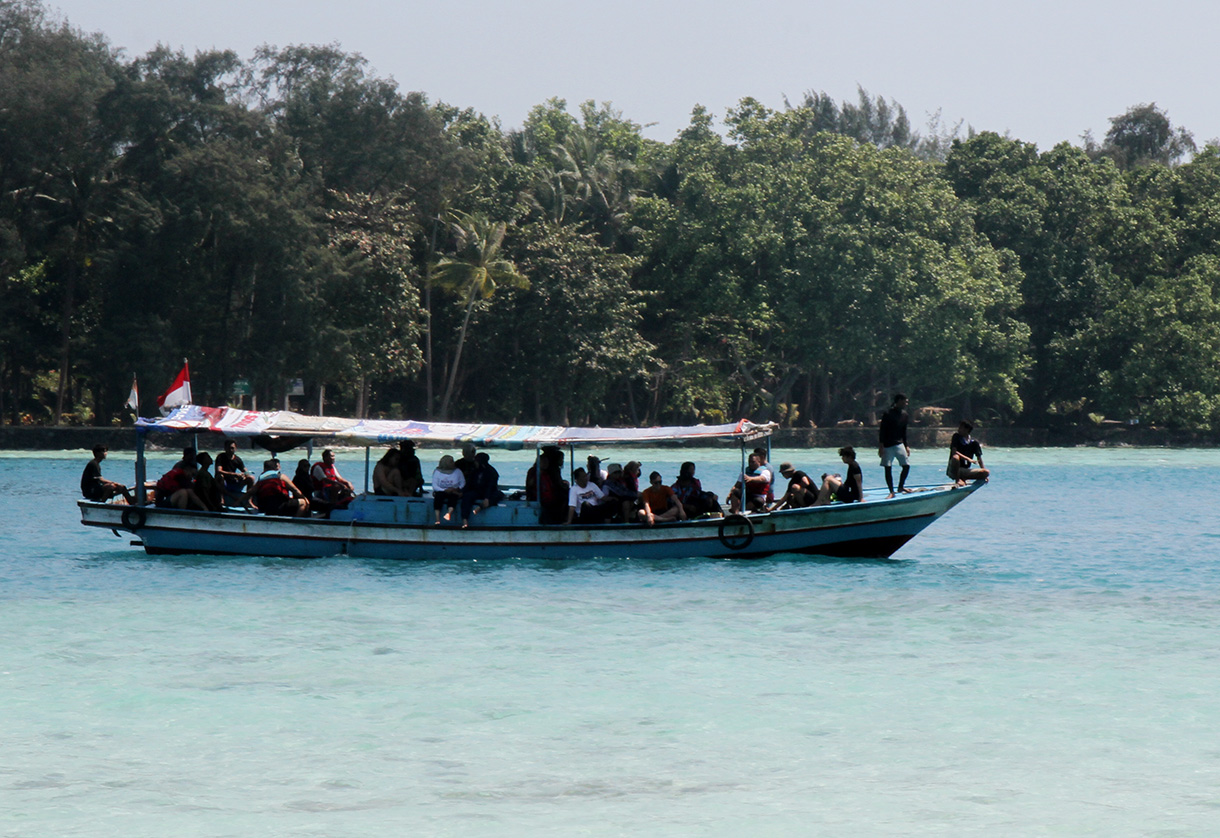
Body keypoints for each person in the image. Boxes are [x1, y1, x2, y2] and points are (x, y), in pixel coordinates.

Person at [879, 393, 912, 498]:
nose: (906, 403)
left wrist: (906, 445)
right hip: (888, 445)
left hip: (899, 443)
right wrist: (881, 446)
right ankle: (891, 491)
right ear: (898, 401)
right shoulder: (888, 413)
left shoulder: (905, 415)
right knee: (888, 468)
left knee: (906, 466)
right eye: (904, 401)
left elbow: (904, 431)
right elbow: (882, 430)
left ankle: (901, 487)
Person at [462, 452, 504, 527]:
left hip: (488, 492)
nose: (475, 463)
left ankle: (480, 507)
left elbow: (491, 486)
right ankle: (465, 520)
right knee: (467, 497)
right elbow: (469, 483)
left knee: (499, 495)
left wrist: (487, 498)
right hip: (476, 491)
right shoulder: (475, 470)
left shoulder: (492, 472)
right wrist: (462, 492)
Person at [948, 421, 990, 485]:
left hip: (964, 470)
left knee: (986, 472)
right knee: (955, 457)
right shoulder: (956, 437)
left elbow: (979, 458)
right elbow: (954, 452)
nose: (958, 430)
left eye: (960, 428)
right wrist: (968, 459)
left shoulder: (974, 443)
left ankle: (963, 479)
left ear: (966, 430)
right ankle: (958, 479)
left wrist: (985, 475)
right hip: (953, 470)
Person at [215, 438, 255, 506]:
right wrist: (233, 474)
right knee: (220, 476)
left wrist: (243, 475)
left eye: (232, 448)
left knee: (251, 478)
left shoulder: (238, 459)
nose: (230, 450)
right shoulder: (221, 457)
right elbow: (219, 471)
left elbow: (245, 471)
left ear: (235, 448)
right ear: (225, 448)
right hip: (224, 484)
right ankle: (221, 499)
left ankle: (249, 501)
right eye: (228, 448)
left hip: (234, 483)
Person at [431, 454, 465, 524]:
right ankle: (437, 518)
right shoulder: (437, 471)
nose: (453, 463)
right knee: (438, 498)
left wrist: (457, 488)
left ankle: (449, 513)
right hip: (441, 491)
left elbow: (462, 482)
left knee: (453, 498)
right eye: (451, 462)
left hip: (454, 491)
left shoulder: (458, 471)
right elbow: (435, 485)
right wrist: (444, 490)